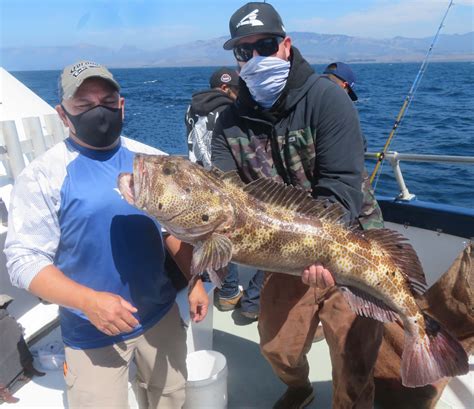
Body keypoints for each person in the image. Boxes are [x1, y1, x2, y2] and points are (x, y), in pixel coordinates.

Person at [4, 60, 209, 409]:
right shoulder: (43, 175)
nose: (99, 112)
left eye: (108, 102)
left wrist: (196, 281)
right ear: (62, 113)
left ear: (121, 105)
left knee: (172, 397)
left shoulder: (151, 161)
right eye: (84, 105)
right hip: (90, 332)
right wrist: (88, 302)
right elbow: (23, 260)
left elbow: (170, 229)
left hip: (159, 315)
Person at [212, 3, 384, 408]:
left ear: (286, 46)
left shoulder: (327, 99)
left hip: (354, 242)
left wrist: (322, 249)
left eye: (266, 46)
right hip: (284, 252)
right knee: (276, 347)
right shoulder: (228, 123)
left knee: (353, 359)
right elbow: (224, 194)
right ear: (236, 59)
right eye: (244, 51)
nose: (255, 58)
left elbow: (341, 186)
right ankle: (300, 387)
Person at [185, 67, 264, 319]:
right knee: (266, 243)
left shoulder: (191, 109)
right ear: (224, 88)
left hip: (199, 187)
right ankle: (254, 301)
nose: (238, 95)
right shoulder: (227, 111)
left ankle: (228, 292)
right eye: (236, 90)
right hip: (225, 190)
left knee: (216, 242)